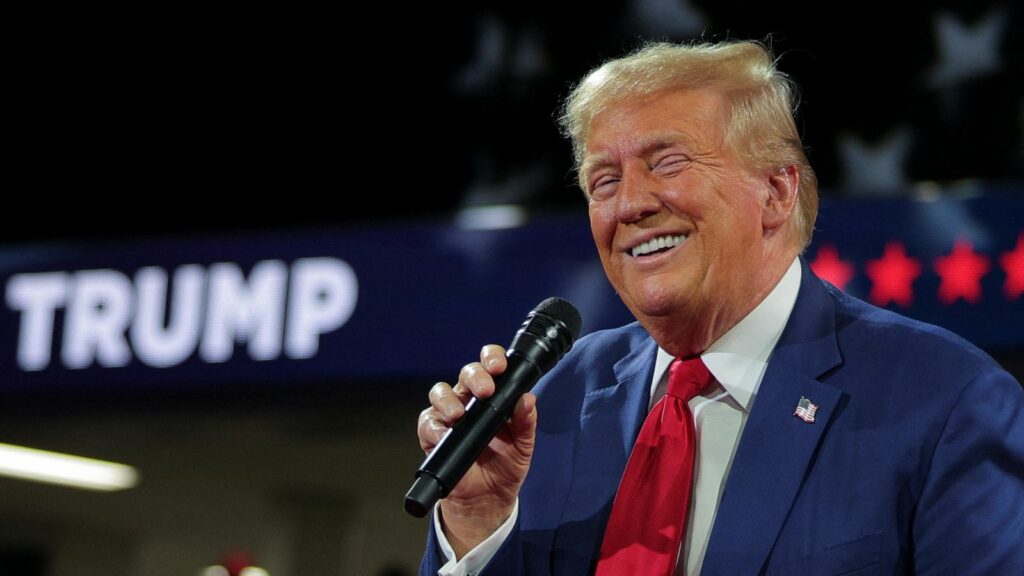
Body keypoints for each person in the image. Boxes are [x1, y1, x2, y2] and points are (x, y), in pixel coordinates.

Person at [415, 40, 1024, 575]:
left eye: (667, 163)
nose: (629, 205)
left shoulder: (946, 399)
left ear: (776, 192)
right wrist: (477, 524)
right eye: (603, 181)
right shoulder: (557, 398)